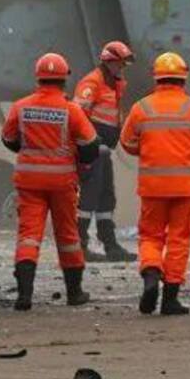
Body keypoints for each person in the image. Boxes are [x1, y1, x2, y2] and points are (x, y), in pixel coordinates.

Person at [118, 52, 190, 316]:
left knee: (150, 235)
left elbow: (127, 142)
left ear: (157, 78)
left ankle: (151, 273)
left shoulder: (141, 108)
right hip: (185, 188)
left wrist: (149, 151)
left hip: (152, 186)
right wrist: (189, 152)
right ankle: (170, 298)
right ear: (183, 78)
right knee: (179, 239)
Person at [0, 52, 101, 311]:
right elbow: (91, 147)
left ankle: (24, 295)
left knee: (28, 237)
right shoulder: (72, 111)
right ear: (65, 80)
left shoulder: (21, 107)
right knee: (68, 236)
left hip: (29, 182)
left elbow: (9, 139)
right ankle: (74, 293)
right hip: (62, 183)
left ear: (38, 78)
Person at [74, 41, 136, 262]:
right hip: (92, 150)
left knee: (106, 196)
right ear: (109, 62)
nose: (123, 68)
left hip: (104, 151)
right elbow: (78, 115)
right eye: (120, 63)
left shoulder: (114, 84)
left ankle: (109, 243)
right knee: (89, 197)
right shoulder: (92, 83)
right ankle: (79, 245)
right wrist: (91, 142)